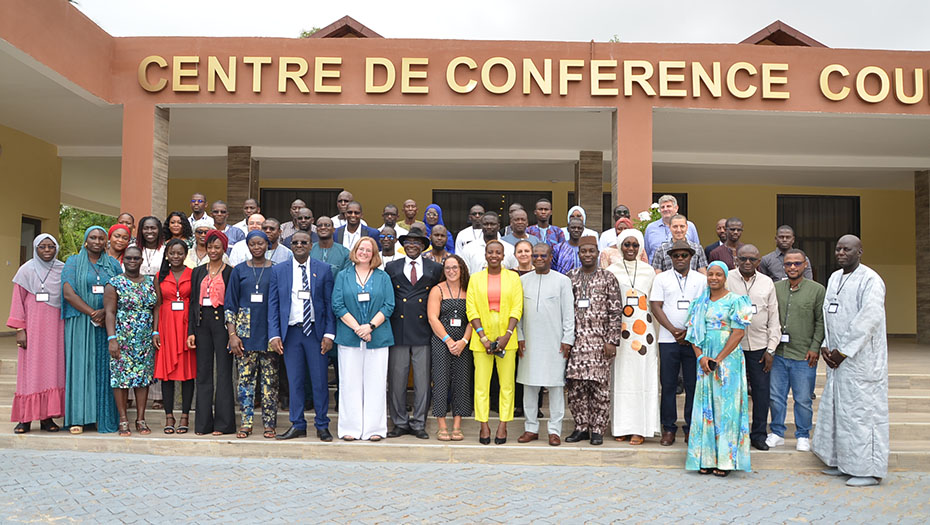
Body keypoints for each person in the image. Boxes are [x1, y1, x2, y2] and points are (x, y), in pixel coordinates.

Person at [814, 235, 888, 487]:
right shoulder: (835, 277)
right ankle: (841, 462)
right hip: (837, 360)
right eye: (838, 248)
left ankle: (867, 469)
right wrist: (826, 346)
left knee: (861, 415)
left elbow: (869, 318)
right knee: (838, 412)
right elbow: (827, 312)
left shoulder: (871, 280)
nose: (841, 252)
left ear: (860, 252)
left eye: (847, 249)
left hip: (861, 362)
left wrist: (843, 351)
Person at [684, 261, 754, 476]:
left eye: (718, 275)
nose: (714, 278)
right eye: (710, 274)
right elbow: (692, 334)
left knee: (726, 408)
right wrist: (702, 358)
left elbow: (738, 332)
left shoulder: (736, 301)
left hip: (728, 360)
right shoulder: (699, 303)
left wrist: (717, 359)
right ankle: (705, 459)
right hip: (704, 361)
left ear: (725, 277)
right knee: (706, 408)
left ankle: (725, 460)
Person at [268, 230, 337, 442]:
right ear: (290, 245)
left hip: (316, 333)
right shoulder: (279, 270)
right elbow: (273, 305)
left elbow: (329, 304)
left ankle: (322, 424)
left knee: (319, 382)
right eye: (295, 242)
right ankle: (297, 424)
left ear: (310, 245)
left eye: (303, 242)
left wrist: (329, 334)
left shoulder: (324, 270)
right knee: (295, 381)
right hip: (292, 333)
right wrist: (274, 334)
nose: (299, 245)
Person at [332, 236, 394, 441]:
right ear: (355, 251)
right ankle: (350, 428)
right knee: (349, 383)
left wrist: (370, 326)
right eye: (361, 249)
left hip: (378, 337)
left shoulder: (383, 277)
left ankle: (374, 429)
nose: (364, 253)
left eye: (369, 250)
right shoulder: (343, 276)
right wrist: (358, 328)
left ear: (374, 254)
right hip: (349, 336)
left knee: (376, 383)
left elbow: (389, 305)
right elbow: (337, 305)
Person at [61, 226, 122, 434]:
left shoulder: (113, 265)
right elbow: (68, 292)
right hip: (80, 322)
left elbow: (121, 290)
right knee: (80, 369)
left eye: (101, 238)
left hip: (107, 324)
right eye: (93, 238)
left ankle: (99, 417)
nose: (97, 241)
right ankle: (78, 418)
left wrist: (105, 313)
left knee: (104, 370)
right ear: (86, 241)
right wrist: (92, 313)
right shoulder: (73, 262)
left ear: (106, 242)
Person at [563, 237, 622, 446]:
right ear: (578, 254)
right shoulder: (569, 278)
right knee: (577, 387)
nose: (587, 255)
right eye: (583, 251)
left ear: (598, 253)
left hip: (600, 342)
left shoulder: (608, 278)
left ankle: (597, 429)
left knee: (599, 388)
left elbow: (616, 311)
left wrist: (612, 340)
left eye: (591, 251)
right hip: (576, 342)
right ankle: (581, 427)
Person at [385, 228, 442, 439]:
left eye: (416, 242)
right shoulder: (392, 267)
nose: (411, 245)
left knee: (422, 380)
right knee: (397, 379)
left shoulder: (435, 268)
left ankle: (419, 423)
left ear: (423, 246)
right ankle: (399, 422)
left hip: (423, 331)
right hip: (398, 330)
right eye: (408, 241)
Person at [650, 239, 707, 446]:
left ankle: (691, 426)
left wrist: (689, 331)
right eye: (676, 255)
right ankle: (669, 428)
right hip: (667, 339)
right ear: (670, 258)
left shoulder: (701, 280)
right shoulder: (661, 278)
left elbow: (702, 307)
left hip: (694, 340)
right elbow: (656, 306)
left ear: (691, 257)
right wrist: (673, 330)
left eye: (684, 255)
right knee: (668, 385)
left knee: (693, 385)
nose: (680, 259)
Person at [516, 243, 574, 447]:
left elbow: (569, 314)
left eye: (543, 255)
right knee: (529, 386)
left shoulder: (562, 281)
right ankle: (531, 428)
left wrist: (568, 339)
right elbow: (518, 314)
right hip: (529, 342)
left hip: (555, 343)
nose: (539, 258)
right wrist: (519, 336)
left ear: (551, 258)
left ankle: (554, 430)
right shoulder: (522, 281)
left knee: (556, 386)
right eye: (536, 255)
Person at [767, 248, 825, 452]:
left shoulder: (817, 290)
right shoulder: (775, 288)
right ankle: (776, 433)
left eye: (797, 263)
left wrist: (815, 347)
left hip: (804, 355)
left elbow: (821, 321)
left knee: (802, 398)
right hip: (779, 354)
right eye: (788, 264)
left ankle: (802, 435)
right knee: (776, 396)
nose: (792, 267)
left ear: (805, 264)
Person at [605, 229, 660, 445]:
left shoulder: (649, 272)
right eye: (626, 245)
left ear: (640, 248)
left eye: (635, 245)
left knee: (642, 377)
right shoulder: (611, 270)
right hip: (620, 331)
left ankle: (641, 428)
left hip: (645, 333)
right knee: (621, 378)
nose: (630, 249)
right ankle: (622, 426)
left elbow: (655, 303)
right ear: (620, 246)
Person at [466, 240, 523, 445]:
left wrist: (507, 335)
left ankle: (502, 424)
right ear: (485, 255)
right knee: (481, 385)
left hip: (507, 337)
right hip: (481, 338)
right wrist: (482, 336)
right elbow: (471, 309)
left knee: (507, 385)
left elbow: (517, 307)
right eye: (490, 252)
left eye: (498, 252)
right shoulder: (475, 279)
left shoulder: (513, 278)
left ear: (503, 255)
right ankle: (483, 425)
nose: (494, 256)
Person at [225, 230, 281, 439]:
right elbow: (230, 305)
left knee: (270, 383)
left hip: (269, 334)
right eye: (253, 244)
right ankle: (246, 423)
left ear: (267, 245)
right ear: (247, 246)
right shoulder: (238, 271)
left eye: (261, 243)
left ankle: (269, 424)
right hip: (244, 335)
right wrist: (232, 335)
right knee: (245, 383)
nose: (257, 247)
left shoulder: (276, 270)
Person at [8, 234, 66, 434]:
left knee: (52, 372)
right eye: (43, 247)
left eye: (51, 246)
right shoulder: (26, 270)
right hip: (32, 329)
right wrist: (19, 329)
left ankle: (47, 418)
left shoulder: (62, 269)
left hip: (56, 330)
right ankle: (24, 419)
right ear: (36, 248)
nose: (48, 250)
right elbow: (18, 301)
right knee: (30, 373)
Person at [727, 244, 781, 451]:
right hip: (732, 346)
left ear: (759, 262)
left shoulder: (767, 283)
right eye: (743, 259)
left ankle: (758, 434)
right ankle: (733, 434)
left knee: (760, 392)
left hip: (759, 347)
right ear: (736, 260)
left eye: (752, 259)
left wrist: (771, 349)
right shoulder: (727, 279)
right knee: (733, 392)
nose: (747, 262)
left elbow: (774, 317)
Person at [104, 245, 158, 437]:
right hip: (122, 337)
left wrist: (155, 332)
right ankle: (123, 419)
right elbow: (110, 312)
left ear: (141, 261)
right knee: (121, 379)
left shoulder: (151, 282)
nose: (132, 261)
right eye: (129, 258)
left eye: (136, 258)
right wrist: (112, 338)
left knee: (142, 379)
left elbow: (156, 308)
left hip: (144, 338)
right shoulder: (114, 283)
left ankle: (141, 418)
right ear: (123, 260)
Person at [188, 230, 236, 436]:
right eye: (210, 247)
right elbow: (192, 303)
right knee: (203, 373)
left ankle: (223, 425)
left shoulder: (231, 272)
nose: (213, 251)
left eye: (217, 247)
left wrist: (233, 330)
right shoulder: (198, 271)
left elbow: (233, 302)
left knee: (224, 373)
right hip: (202, 323)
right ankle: (203, 424)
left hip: (222, 324)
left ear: (224, 248)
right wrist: (191, 331)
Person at [427, 254, 473, 441]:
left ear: (462, 269)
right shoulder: (437, 290)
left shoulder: (469, 290)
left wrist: (463, 341)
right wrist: (447, 340)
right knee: (441, 381)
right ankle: (441, 425)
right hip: (441, 340)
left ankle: (457, 425)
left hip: (463, 342)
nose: (451, 271)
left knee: (461, 382)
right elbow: (432, 318)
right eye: (447, 268)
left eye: (455, 268)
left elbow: (473, 318)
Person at [154, 239, 196, 435]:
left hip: (187, 327)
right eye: (172, 253)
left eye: (180, 253)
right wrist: (155, 331)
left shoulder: (193, 274)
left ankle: (185, 415)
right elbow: (157, 306)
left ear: (185, 254)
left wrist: (193, 331)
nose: (176, 256)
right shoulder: (159, 276)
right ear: (167, 255)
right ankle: (169, 415)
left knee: (187, 374)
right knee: (167, 375)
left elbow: (195, 303)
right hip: (167, 326)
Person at [644, 195, 700, 261]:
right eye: (662, 207)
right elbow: (646, 252)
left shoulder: (689, 226)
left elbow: (696, 251)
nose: (665, 209)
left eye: (668, 206)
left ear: (676, 208)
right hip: (656, 269)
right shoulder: (651, 228)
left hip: (684, 268)